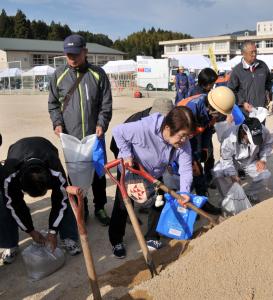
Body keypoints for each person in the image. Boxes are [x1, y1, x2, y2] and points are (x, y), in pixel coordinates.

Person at [109, 106, 196, 258]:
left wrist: (184, 192)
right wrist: (127, 154)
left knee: (158, 202)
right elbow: (117, 131)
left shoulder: (183, 143)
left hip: (154, 172)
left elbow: (186, 168)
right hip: (132, 168)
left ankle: (151, 237)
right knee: (123, 205)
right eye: (182, 136)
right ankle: (117, 240)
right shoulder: (144, 128)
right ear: (167, 128)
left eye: (187, 136)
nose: (184, 140)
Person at [48, 34, 112, 226]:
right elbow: (53, 104)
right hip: (71, 137)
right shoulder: (58, 75)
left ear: (85, 52)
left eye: (76, 54)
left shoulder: (98, 74)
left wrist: (102, 123)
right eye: (68, 54)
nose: (72, 58)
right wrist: (57, 123)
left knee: (98, 173)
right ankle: (80, 208)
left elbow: (106, 104)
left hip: (95, 135)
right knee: (75, 174)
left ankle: (100, 207)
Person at [0, 137, 81, 264]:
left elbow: (60, 202)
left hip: (46, 146)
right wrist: (30, 231)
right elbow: (15, 206)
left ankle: (69, 236)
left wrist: (53, 231)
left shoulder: (55, 171)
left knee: (65, 198)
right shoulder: (9, 175)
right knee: (7, 205)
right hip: (17, 148)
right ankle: (10, 244)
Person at [178, 70, 235, 213]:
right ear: (213, 107)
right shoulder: (190, 109)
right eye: (219, 113)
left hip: (192, 137)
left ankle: (202, 202)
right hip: (178, 138)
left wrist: (203, 149)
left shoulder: (213, 106)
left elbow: (207, 128)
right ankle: (186, 206)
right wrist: (192, 159)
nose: (220, 116)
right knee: (187, 171)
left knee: (198, 170)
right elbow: (182, 137)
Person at [213, 117, 273, 205]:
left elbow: (268, 144)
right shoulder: (228, 136)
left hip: (250, 161)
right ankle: (228, 198)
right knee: (217, 171)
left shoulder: (262, 130)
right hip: (233, 162)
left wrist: (263, 159)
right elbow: (226, 159)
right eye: (250, 139)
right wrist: (232, 175)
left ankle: (249, 194)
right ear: (243, 132)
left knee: (265, 175)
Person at [228, 41, 272, 113]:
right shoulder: (237, 70)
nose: (254, 54)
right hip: (245, 112)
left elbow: (269, 83)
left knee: (261, 125)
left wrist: (267, 96)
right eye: (251, 52)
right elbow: (231, 90)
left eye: (255, 51)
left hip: (261, 110)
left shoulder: (263, 66)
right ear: (243, 53)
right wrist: (242, 103)